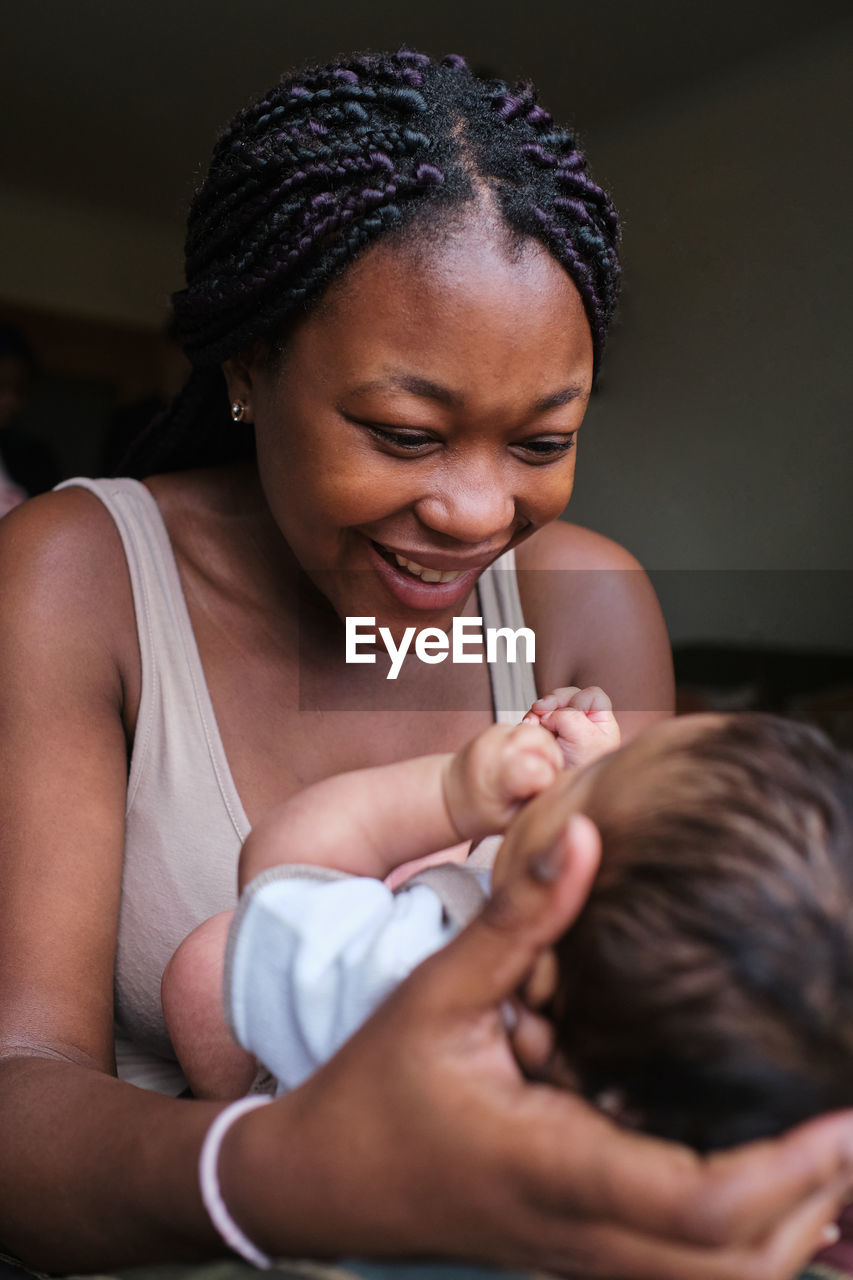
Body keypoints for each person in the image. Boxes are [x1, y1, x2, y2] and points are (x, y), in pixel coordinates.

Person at [1, 48, 851, 1280]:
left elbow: (686, 976)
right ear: (248, 370)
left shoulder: (577, 604)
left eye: (542, 440)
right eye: (404, 433)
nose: (474, 512)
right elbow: (20, 1097)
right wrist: (304, 1173)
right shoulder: (79, 576)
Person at [164, 690, 853, 1165]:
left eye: (595, 783)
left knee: (208, 961)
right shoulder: (682, 1105)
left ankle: (256, 1107)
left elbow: (283, 872)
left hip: (322, 1129)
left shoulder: (406, 983)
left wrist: (448, 794)